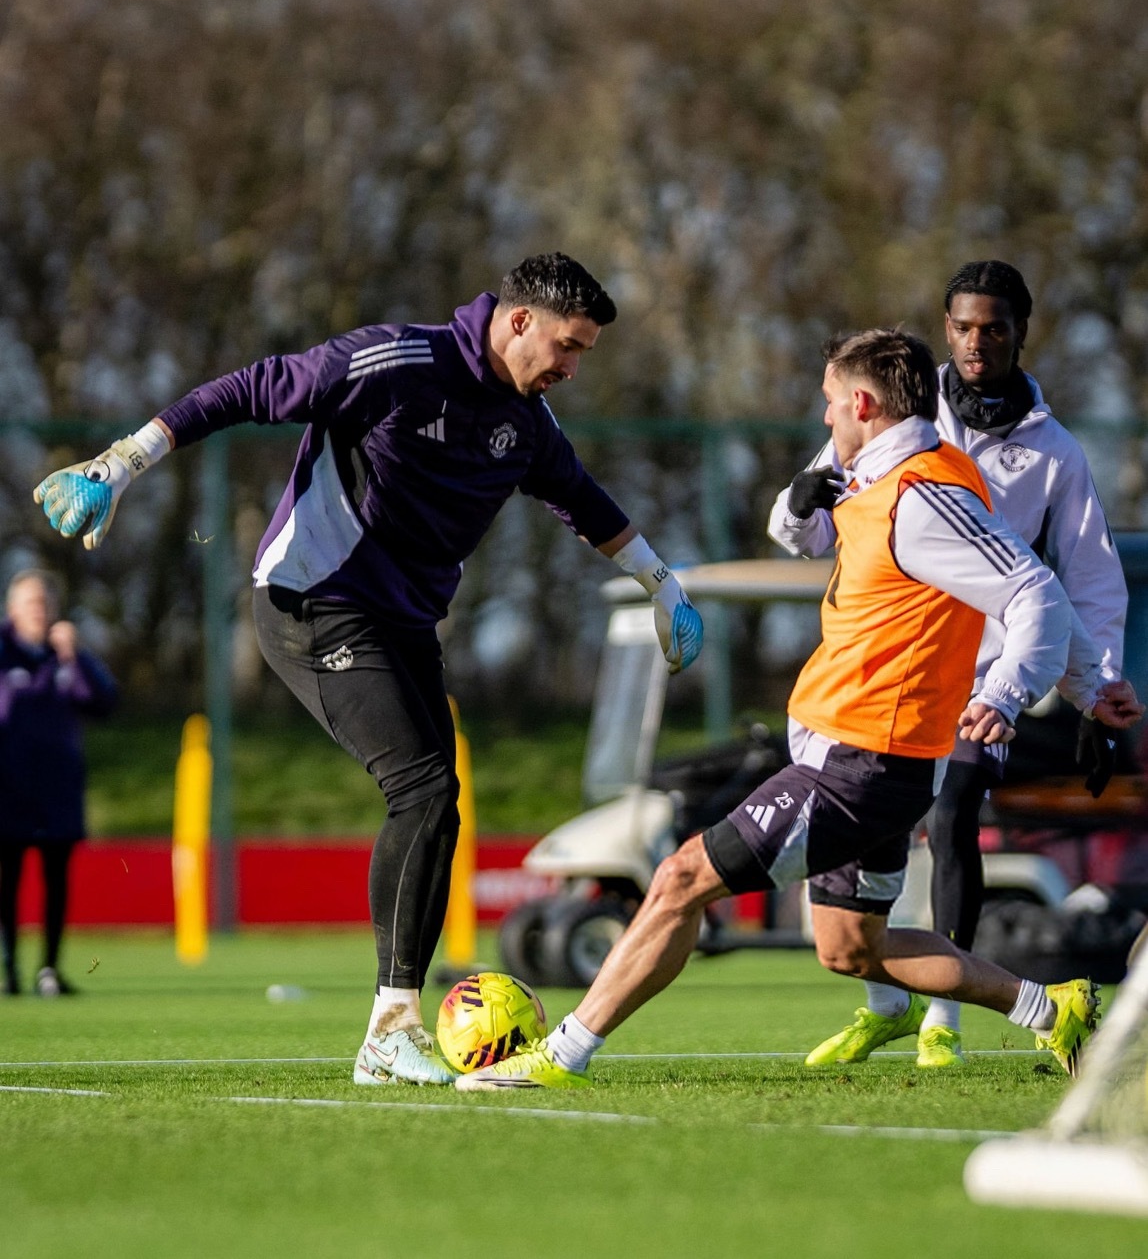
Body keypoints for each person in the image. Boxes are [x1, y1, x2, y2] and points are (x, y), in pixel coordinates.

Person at [33, 252, 703, 1083]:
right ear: (520, 321)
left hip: (406, 623)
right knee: (421, 789)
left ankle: (392, 1027)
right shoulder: (394, 361)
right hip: (308, 603)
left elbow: (581, 499)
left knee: (439, 804)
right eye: (568, 346)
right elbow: (248, 388)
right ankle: (389, 1029)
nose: (571, 366)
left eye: (584, 354)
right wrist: (123, 463)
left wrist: (662, 583)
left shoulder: (527, 420)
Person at [453, 326, 1106, 1092]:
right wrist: (800, 509)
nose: (824, 418)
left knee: (677, 878)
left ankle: (559, 1056)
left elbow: (1037, 593)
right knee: (849, 948)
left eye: (830, 404)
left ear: (862, 402)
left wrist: (1006, 693)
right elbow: (800, 522)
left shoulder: (922, 496)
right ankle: (1050, 1007)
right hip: (871, 760)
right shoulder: (880, 472)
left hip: (863, 764)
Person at [769, 261, 1143, 1070]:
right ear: (947, 329)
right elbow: (811, 522)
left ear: (1020, 332)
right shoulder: (899, 412)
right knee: (860, 828)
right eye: (965, 326)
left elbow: (1085, 576)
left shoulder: (1056, 453)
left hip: (983, 683)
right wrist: (796, 506)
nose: (978, 341)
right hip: (883, 669)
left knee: (954, 806)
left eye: (995, 327)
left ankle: (945, 1015)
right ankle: (888, 1002)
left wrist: (1095, 689)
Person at [0, 570, 117, 996]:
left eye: (45, 603)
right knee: (7, 881)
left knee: (56, 880)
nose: (39, 611)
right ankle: (8, 969)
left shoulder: (65, 654)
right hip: (8, 789)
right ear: (13, 608)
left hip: (57, 790)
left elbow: (103, 703)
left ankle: (48, 969)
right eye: (31, 602)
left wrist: (75, 656)